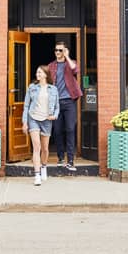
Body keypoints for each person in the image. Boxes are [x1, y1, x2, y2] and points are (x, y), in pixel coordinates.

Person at [48, 41, 83, 171]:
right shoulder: (51, 66)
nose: (58, 52)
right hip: (55, 103)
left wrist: (67, 57)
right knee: (57, 131)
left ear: (65, 51)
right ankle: (60, 158)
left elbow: (76, 70)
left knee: (70, 129)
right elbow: (47, 82)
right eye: (56, 50)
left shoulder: (70, 63)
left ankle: (71, 160)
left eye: (60, 50)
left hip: (69, 101)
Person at [22, 65, 59, 186]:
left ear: (45, 75)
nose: (37, 74)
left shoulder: (53, 89)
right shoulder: (32, 87)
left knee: (45, 149)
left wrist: (55, 115)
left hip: (47, 120)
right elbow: (26, 105)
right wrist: (25, 122)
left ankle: (44, 167)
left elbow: (57, 107)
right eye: (37, 72)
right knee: (36, 147)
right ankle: (37, 175)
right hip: (33, 118)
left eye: (40, 72)